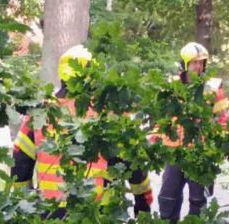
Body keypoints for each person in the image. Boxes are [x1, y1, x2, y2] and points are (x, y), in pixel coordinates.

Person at [11, 45, 153, 214]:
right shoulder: (109, 114)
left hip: (51, 211)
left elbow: (20, 161)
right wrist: (142, 200)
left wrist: (25, 201)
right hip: (97, 212)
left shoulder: (40, 113)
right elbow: (133, 161)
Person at [157, 41, 229, 222]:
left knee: (198, 199)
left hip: (200, 151)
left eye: (201, 62)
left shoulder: (212, 87)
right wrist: (156, 140)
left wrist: (219, 148)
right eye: (194, 62)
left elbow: (222, 120)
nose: (198, 66)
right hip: (174, 150)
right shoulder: (170, 87)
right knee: (168, 196)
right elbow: (160, 117)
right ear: (184, 64)